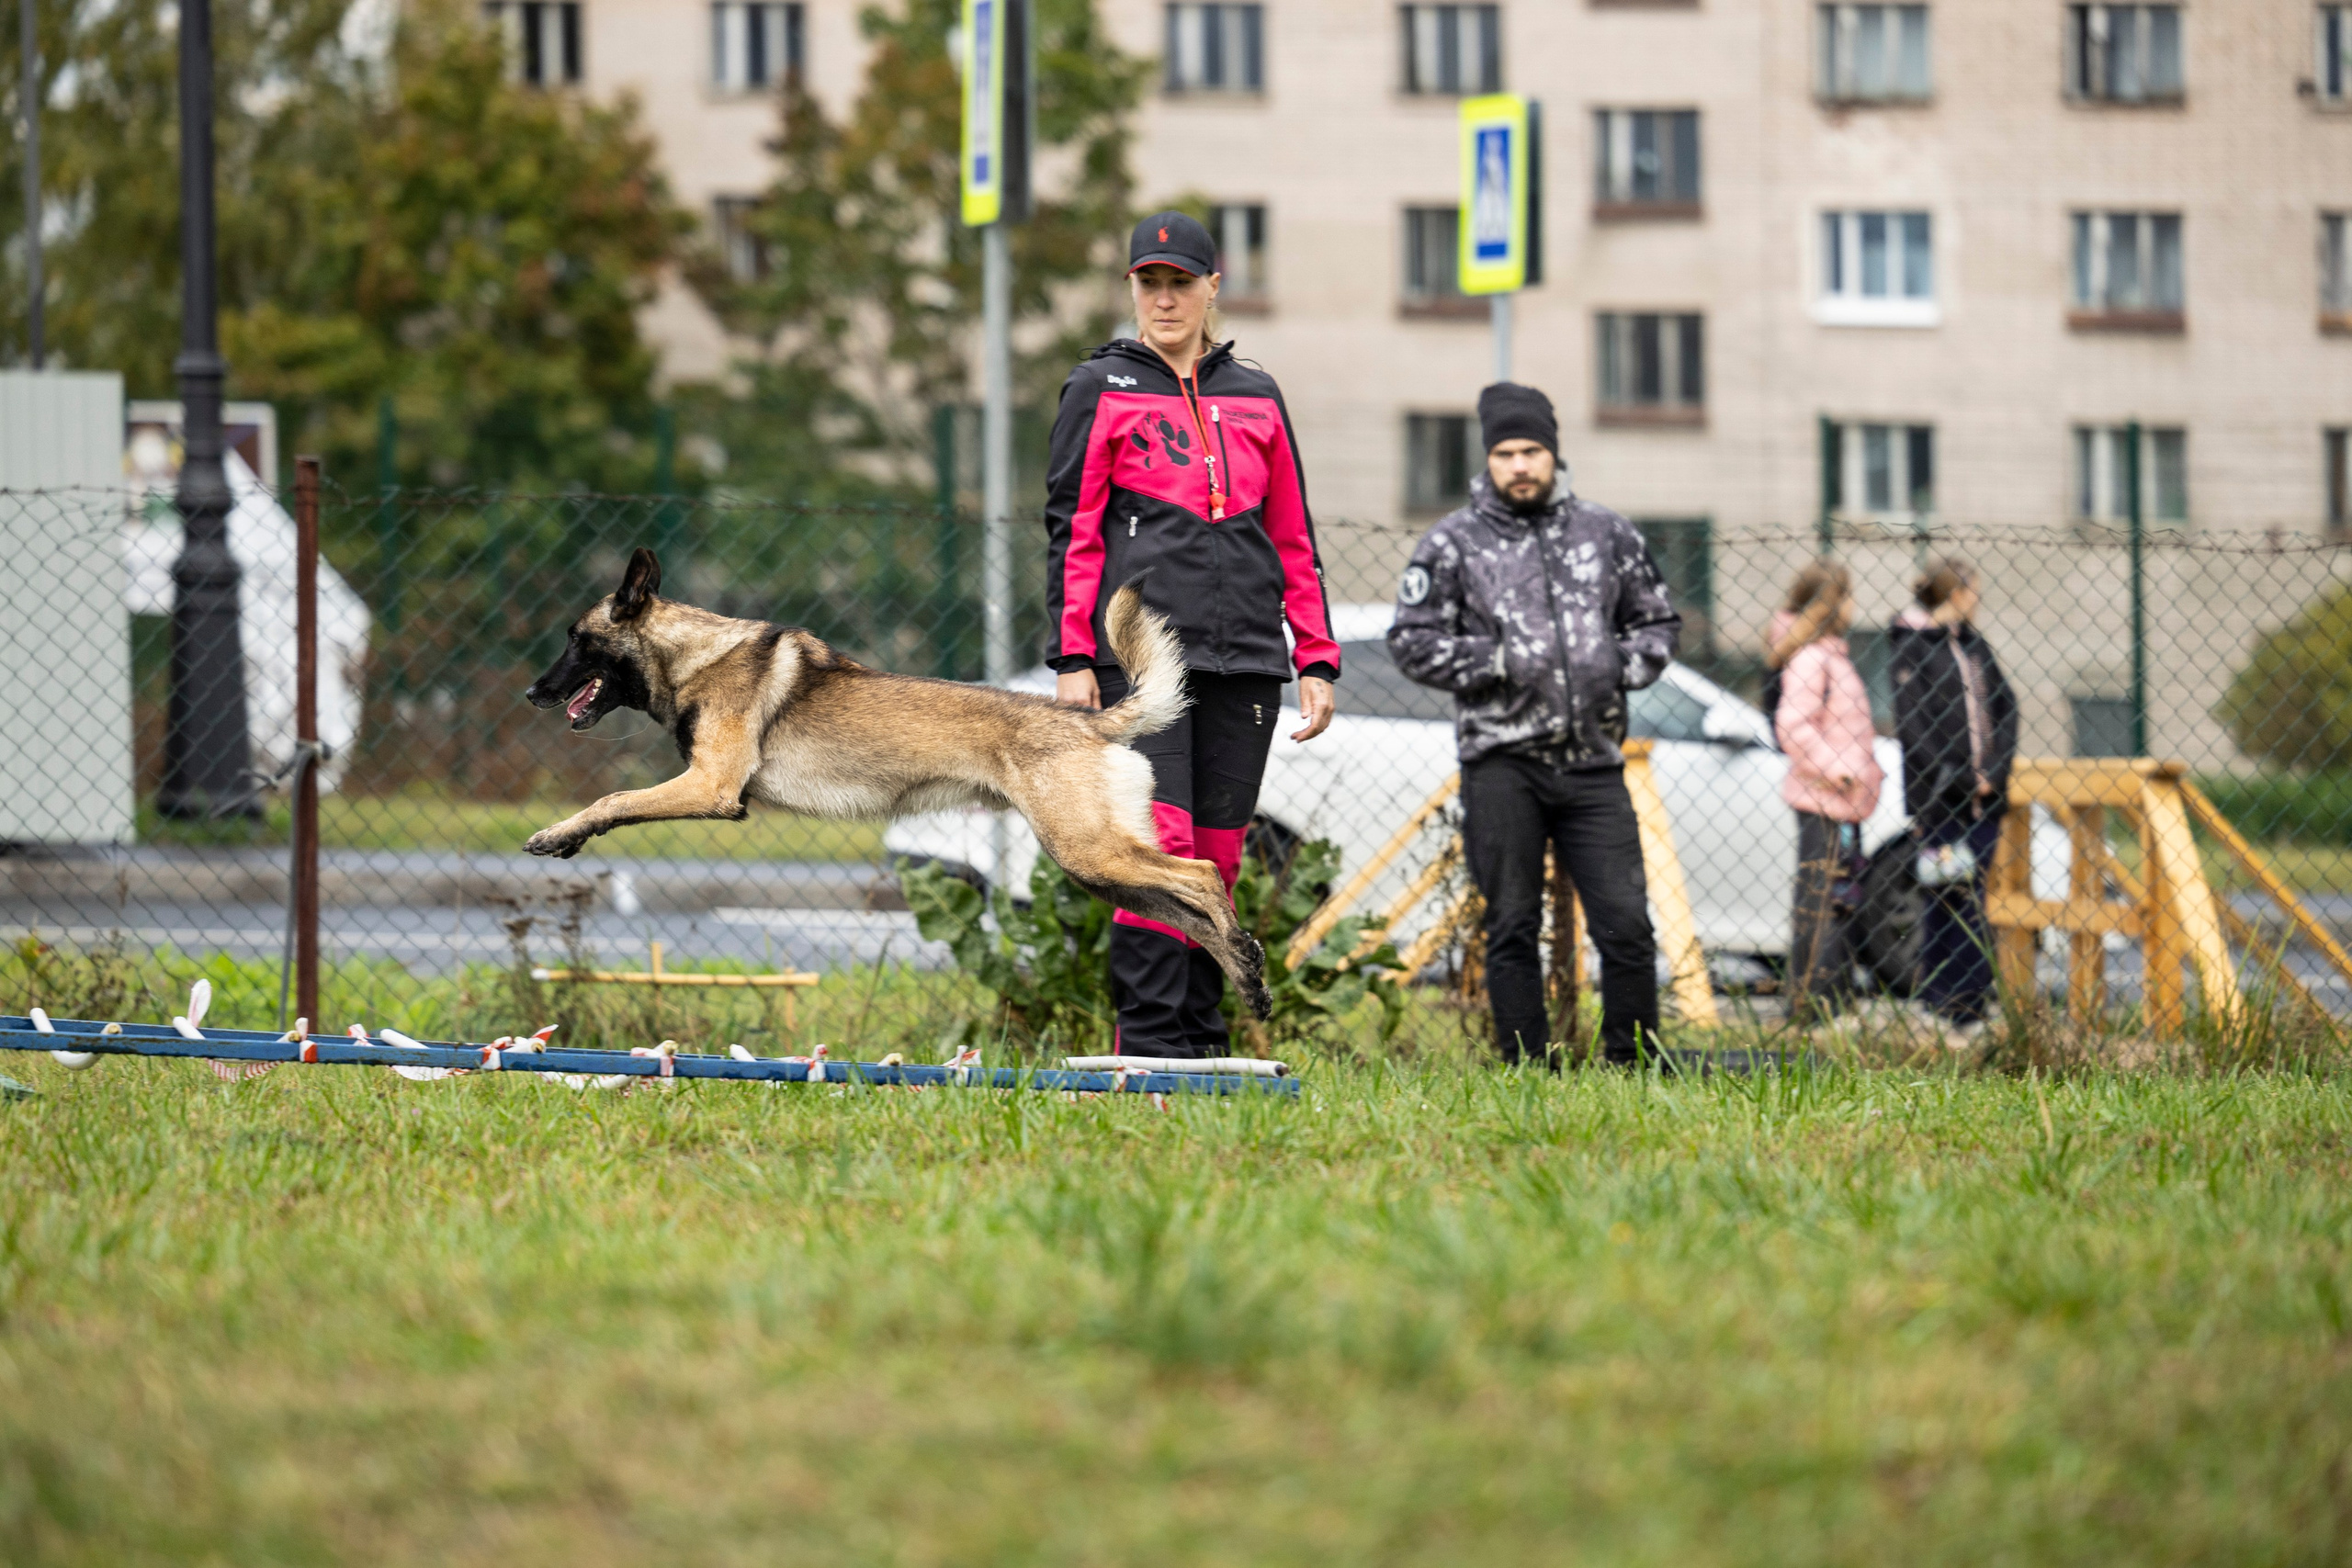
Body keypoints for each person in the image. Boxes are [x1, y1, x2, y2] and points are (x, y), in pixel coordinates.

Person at [1043, 210, 1340, 1058]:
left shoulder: (1258, 392)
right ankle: (1147, 1036)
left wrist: (1314, 655)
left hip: (1244, 654)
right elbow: (1073, 528)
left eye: (1181, 282)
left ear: (1213, 288)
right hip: (1139, 658)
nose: (1165, 298)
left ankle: (1202, 1040)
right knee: (1152, 847)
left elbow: (1294, 533)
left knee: (1216, 856)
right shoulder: (1099, 386)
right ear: (1131, 288)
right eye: (1149, 282)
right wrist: (1073, 656)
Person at [1388, 383, 1681, 1067]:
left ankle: (1632, 1064)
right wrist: (1492, 660)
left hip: (1593, 763)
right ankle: (1526, 1066)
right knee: (1512, 922)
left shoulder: (1607, 534)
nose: (1520, 465)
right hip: (1502, 761)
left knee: (1628, 925)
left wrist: (1617, 666)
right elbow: (1412, 639)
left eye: (1532, 451)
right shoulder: (1452, 543)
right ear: (1488, 460)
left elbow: (1658, 621)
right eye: (1505, 453)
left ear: (1553, 454)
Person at [1890, 558, 2018, 1025]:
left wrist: (1995, 772)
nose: (1978, 600)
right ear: (1957, 593)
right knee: (1947, 894)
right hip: (1941, 799)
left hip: (1986, 802)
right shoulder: (1912, 649)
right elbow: (1915, 727)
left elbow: (2006, 706)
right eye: (1974, 591)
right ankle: (1944, 999)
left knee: (1974, 895)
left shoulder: (1973, 645)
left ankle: (1968, 1002)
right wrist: (1961, 776)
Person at [1766, 561, 1884, 1020]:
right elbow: (1792, 726)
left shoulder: (1833, 656)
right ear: (1833, 603)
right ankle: (1812, 1005)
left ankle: (1831, 999)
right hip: (1824, 799)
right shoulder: (1814, 660)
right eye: (1849, 595)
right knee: (1822, 902)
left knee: (1841, 901)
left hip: (1844, 803)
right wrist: (1839, 770)